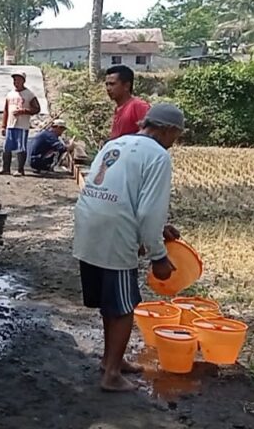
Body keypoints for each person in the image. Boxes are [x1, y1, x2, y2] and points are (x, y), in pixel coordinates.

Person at [72, 103, 185, 393]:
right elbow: (148, 212)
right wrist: (158, 256)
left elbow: (119, 192)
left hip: (89, 225)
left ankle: (113, 360)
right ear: (168, 130)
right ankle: (110, 374)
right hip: (116, 233)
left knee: (111, 302)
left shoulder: (117, 143)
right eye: (176, 135)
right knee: (123, 307)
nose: (175, 142)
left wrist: (158, 231)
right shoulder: (158, 156)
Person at [0, 71, 40, 176]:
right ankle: (5, 168)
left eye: (18, 80)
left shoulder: (29, 94)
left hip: (22, 125)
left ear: (23, 81)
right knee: (6, 147)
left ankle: (20, 169)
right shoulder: (10, 94)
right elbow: (6, 111)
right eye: (15, 80)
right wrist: (3, 126)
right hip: (10, 125)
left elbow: (37, 109)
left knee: (21, 148)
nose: (16, 82)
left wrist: (24, 111)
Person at [105, 65, 150, 140]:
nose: (108, 88)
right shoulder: (118, 109)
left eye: (112, 84)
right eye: (107, 84)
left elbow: (149, 135)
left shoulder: (139, 106)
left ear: (126, 86)